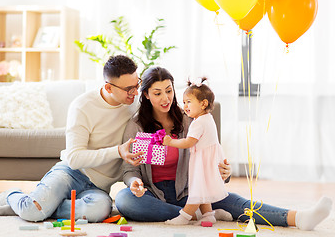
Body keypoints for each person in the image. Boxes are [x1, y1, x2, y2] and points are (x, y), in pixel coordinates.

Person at [115, 66, 333, 230]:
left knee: (238, 203)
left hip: (194, 190)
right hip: (153, 194)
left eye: (169, 90)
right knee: (125, 200)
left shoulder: (191, 119)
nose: (166, 98)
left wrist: (224, 172)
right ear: (145, 95)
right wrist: (134, 183)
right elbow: (129, 169)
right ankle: (197, 215)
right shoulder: (136, 126)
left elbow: (211, 152)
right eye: (157, 93)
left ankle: (298, 217)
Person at [0, 55, 144, 222]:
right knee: (32, 213)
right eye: (129, 89)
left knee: (99, 210)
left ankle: (39, 206)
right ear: (108, 87)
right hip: (70, 174)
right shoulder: (83, 106)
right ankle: (13, 197)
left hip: (98, 187)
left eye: (137, 84)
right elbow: (74, 158)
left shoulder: (136, 105)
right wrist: (117, 151)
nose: (135, 92)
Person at [162, 77, 228, 225]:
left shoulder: (198, 123)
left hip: (202, 160)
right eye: (184, 102)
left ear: (203, 104)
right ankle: (208, 215)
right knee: (203, 188)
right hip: (208, 158)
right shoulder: (208, 118)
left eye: (189, 102)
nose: (185, 106)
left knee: (197, 190)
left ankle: (185, 216)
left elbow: (188, 142)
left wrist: (170, 142)